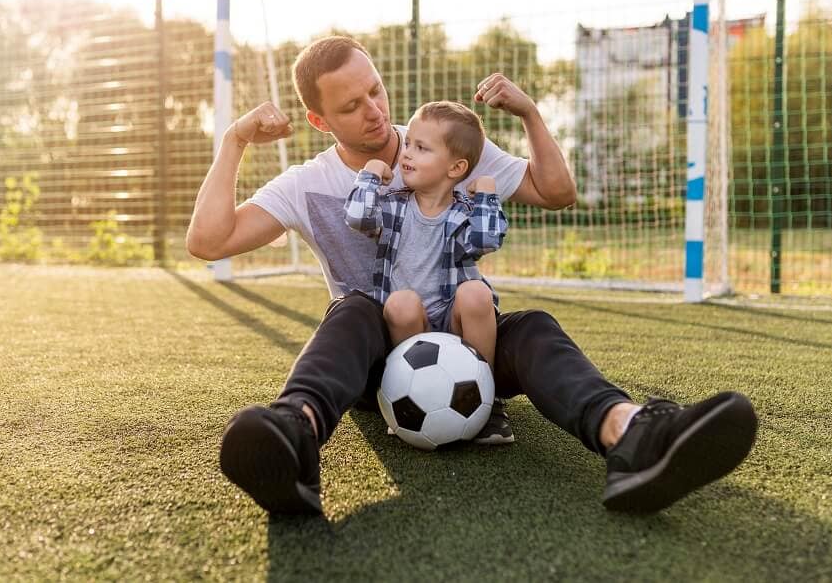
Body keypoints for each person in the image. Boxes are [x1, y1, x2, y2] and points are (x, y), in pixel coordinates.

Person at [187, 36, 757, 516]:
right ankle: (293, 437)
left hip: (468, 344)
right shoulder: (306, 184)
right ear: (318, 120)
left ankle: (632, 435)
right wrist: (236, 138)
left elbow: (556, 192)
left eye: (376, 90)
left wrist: (531, 114)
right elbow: (207, 241)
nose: (375, 110)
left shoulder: (442, 141)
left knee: (531, 326)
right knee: (354, 308)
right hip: (376, 356)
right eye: (351, 105)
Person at [344, 101, 511, 444]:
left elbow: (486, 239)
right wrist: (371, 175)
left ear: (455, 168)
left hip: (453, 318)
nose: (407, 153)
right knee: (401, 302)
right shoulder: (392, 206)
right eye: (408, 144)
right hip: (409, 323)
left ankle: (489, 402)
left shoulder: (465, 212)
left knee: (477, 293)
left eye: (421, 148)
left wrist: (488, 197)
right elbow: (358, 217)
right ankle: (410, 394)